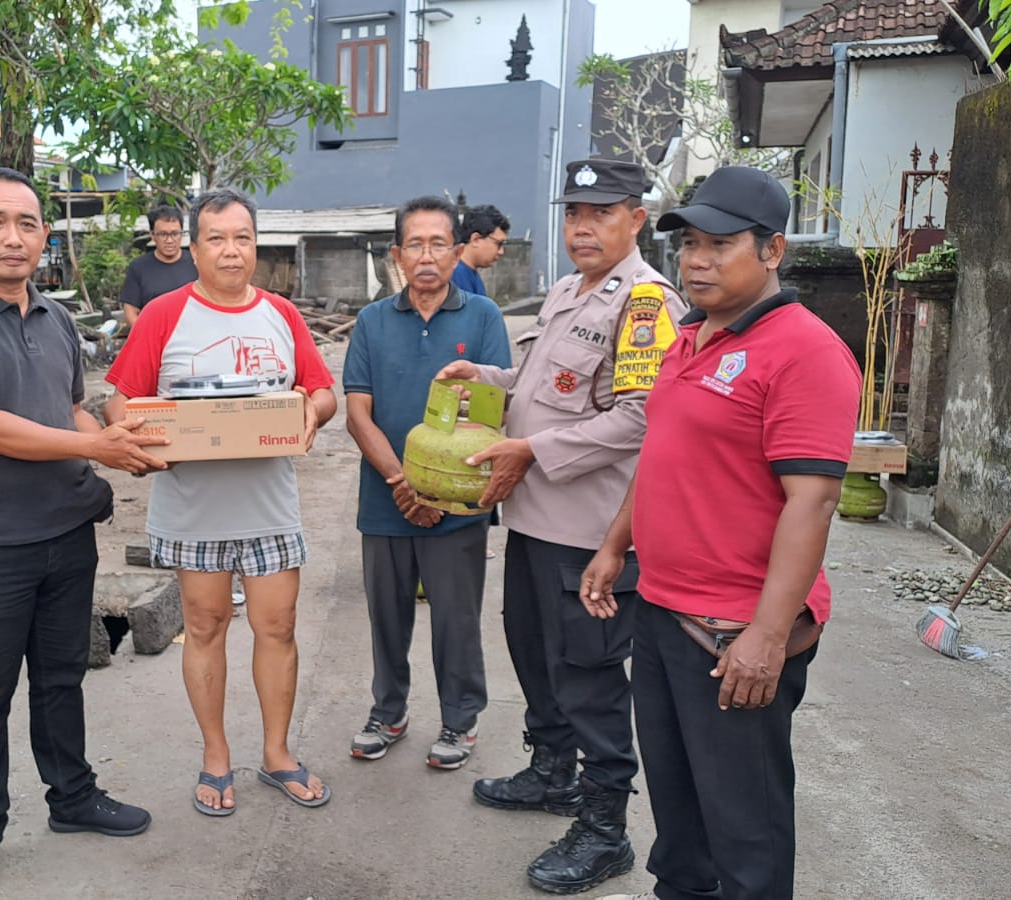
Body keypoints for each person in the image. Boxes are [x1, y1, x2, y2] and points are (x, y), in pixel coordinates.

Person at [585, 167, 860, 900]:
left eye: (719, 245)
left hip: (733, 631)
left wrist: (767, 637)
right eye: (690, 245)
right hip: (665, 614)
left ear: (773, 251)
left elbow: (814, 502)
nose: (697, 260)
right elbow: (663, 452)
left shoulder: (805, 352)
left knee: (746, 832)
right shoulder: (691, 335)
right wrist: (618, 544)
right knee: (679, 822)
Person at [0, 167, 168, 900]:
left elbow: (70, 412)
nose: (13, 236)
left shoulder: (54, 319)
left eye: (26, 222)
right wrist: (98, 449)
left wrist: (124, 438)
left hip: (64, 531)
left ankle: (73, 798)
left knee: (61, 677)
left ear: (43, 235)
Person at [437, 159, 687, 895]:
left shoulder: (645, 304)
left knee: (590, 675)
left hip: (590, 529)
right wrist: (488, 381)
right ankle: (552, 773)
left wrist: (532, 450)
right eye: (574, 212)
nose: (583, 226)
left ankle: (606, 829)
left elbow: (642, 416)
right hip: (534, 520)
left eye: (601, 213)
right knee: (536, 653)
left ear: (635, 219)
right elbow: (545, 386)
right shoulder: (567, 291)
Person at [103, 188, 338, 817]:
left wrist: (306, 415)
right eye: (217, 239)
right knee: (205, 626)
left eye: (243, 238)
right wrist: (143, 440)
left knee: (277, 627)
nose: (231, 251)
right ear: (194, 246)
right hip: (192, 506)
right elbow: (120, 401)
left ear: (255, 245)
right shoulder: (163, 315)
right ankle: (215, 756)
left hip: (268, 504)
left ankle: (278, 754)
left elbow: (321, 391)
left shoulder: (282, 315)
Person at [342, 195, 512, 770]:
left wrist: (437, 487)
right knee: (386, 617)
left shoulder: (483, 318)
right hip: (385, 499)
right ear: (397, 255)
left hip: (459, 502)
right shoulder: (371, 322)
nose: (427, 255)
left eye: (439, 243)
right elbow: (357, 413)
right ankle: (387, 711)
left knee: (456, 618)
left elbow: (492, 412)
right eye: (414, 244)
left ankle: (460, 720)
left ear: (457, 250)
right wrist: (400, 481)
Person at [119, 204, 198, 327]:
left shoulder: (197, 262)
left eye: (175, 233)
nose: (169, 240)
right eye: (162, 234)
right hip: (155, 337)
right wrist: (147, 336)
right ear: (153, 235)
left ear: (182, 234)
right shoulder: (138, 267)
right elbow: (130, 312)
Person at [452, 204, 510, 297]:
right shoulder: (454, 275)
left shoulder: (468, 273)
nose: (501, 252)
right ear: (476, 239)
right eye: (498, 244)